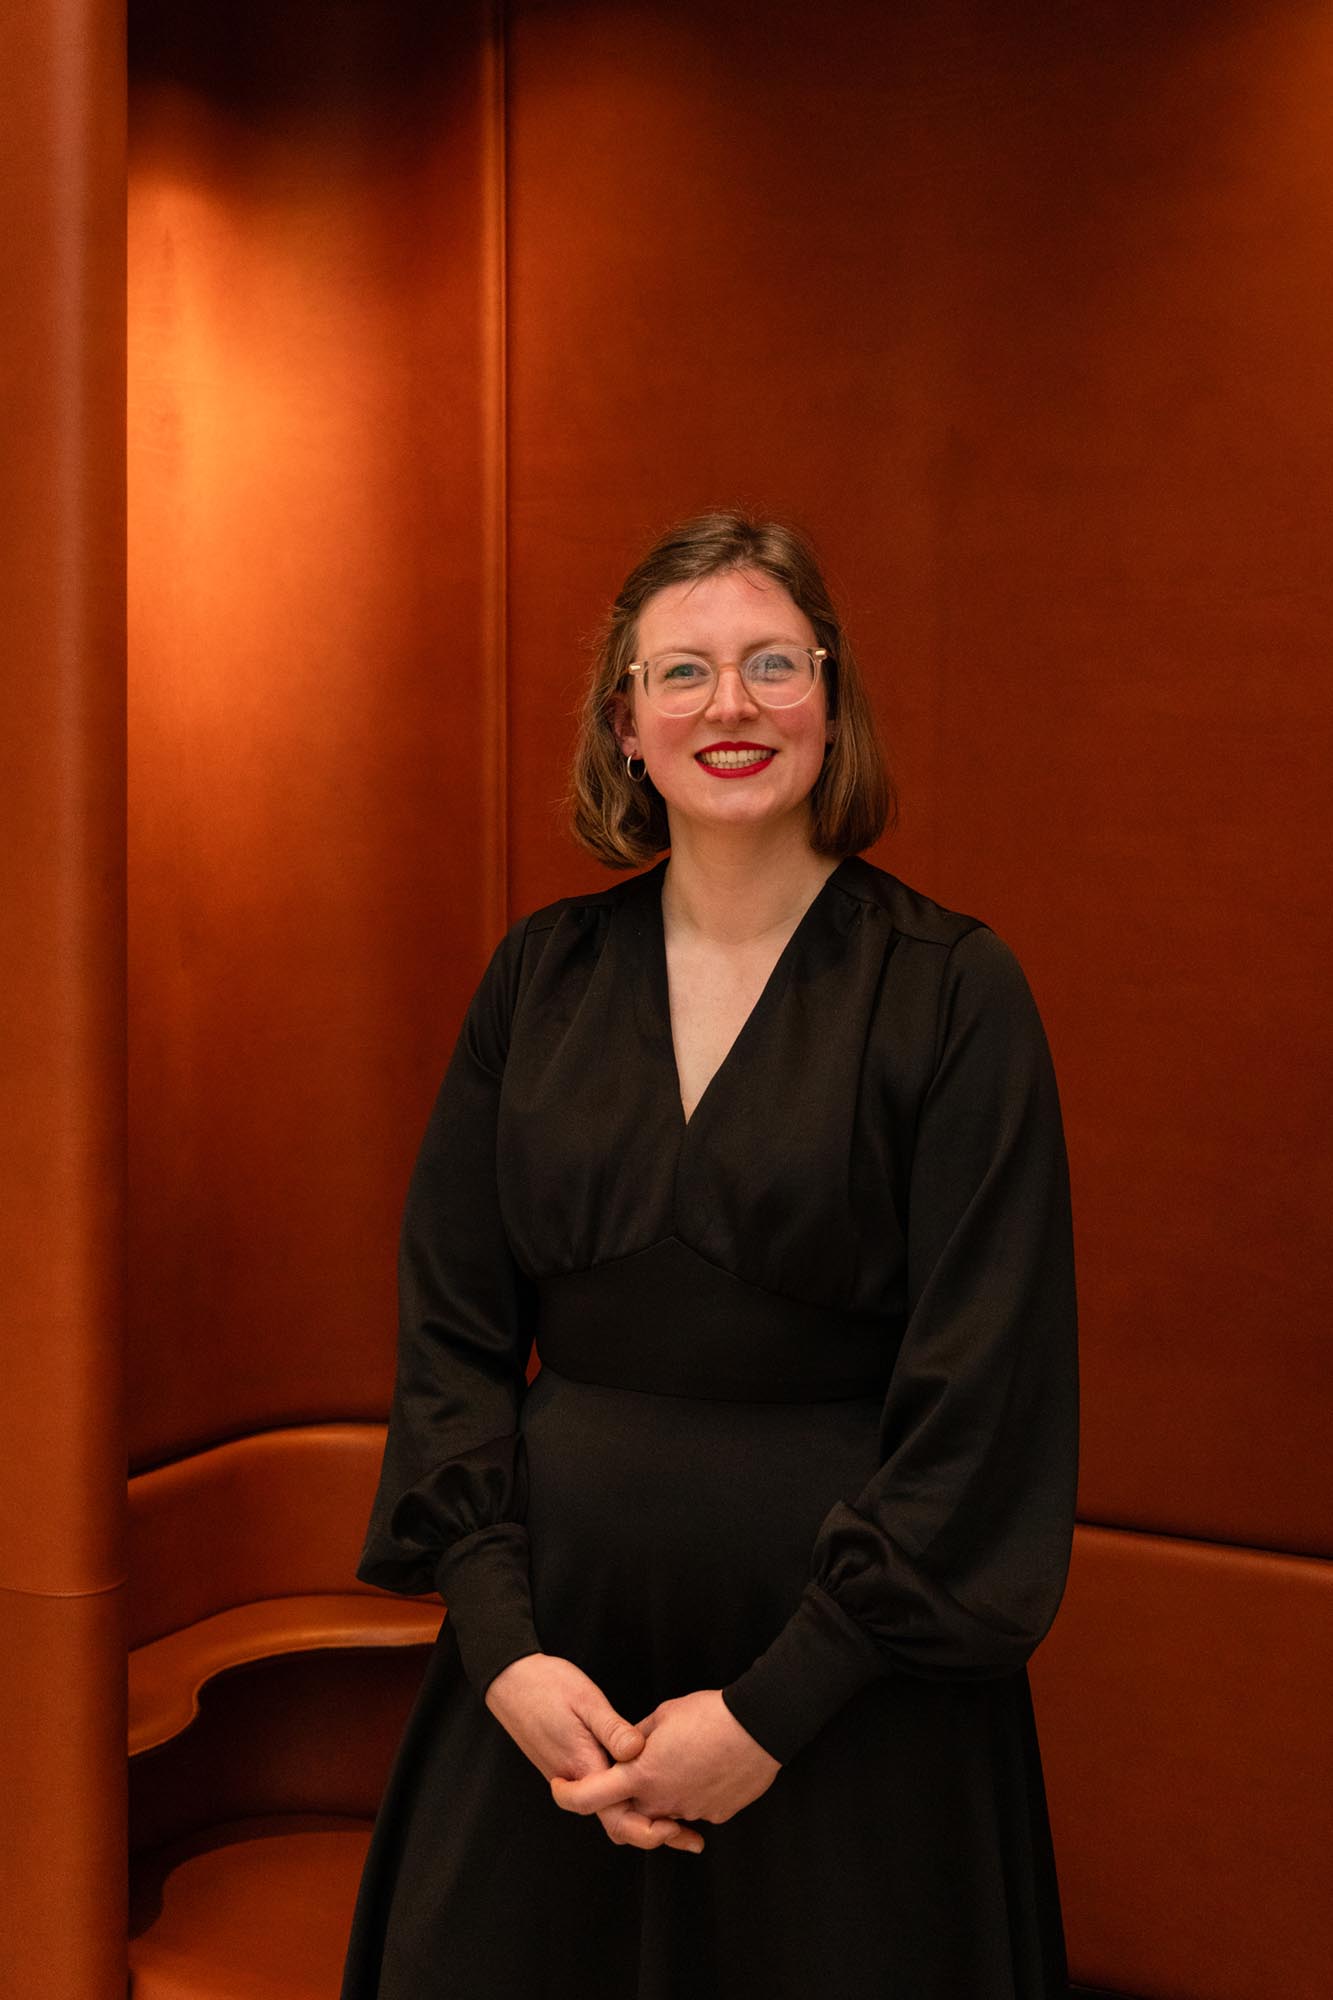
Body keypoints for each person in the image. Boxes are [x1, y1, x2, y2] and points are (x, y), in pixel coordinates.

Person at [338, 510, 1080, 1999]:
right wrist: (504, 1653)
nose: (726, 706)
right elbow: (451, 1334)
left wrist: (768, 1713)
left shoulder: (953, 992)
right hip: (556, 1682)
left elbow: (985, 1396)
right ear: (625, 724)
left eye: (766, 665)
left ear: (828, 700)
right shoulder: (537, 977)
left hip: (848, 1698)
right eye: (679, 674)